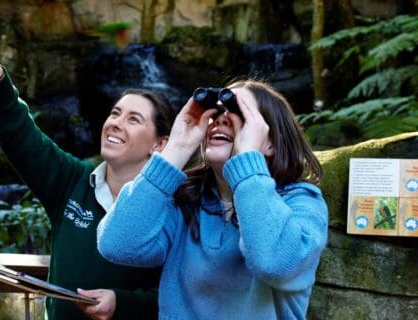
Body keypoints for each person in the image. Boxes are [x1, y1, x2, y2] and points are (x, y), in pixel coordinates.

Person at [0, 12, 176, 320]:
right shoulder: (73, 180)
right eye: (115, 113)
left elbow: (183, 298)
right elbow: (21, 137)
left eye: (133, 119)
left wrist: (121, 302)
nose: (115, 124)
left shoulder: (174, 206)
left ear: (160, 144)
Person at [97, 79, 329, 319]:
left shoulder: (302, 202)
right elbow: (117, 244)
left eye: (239, 114)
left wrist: (248, 158)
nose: (221, 119)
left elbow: (274, 263)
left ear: (270, 142)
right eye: (216, 112)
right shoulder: (186, 203)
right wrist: (176, 148)